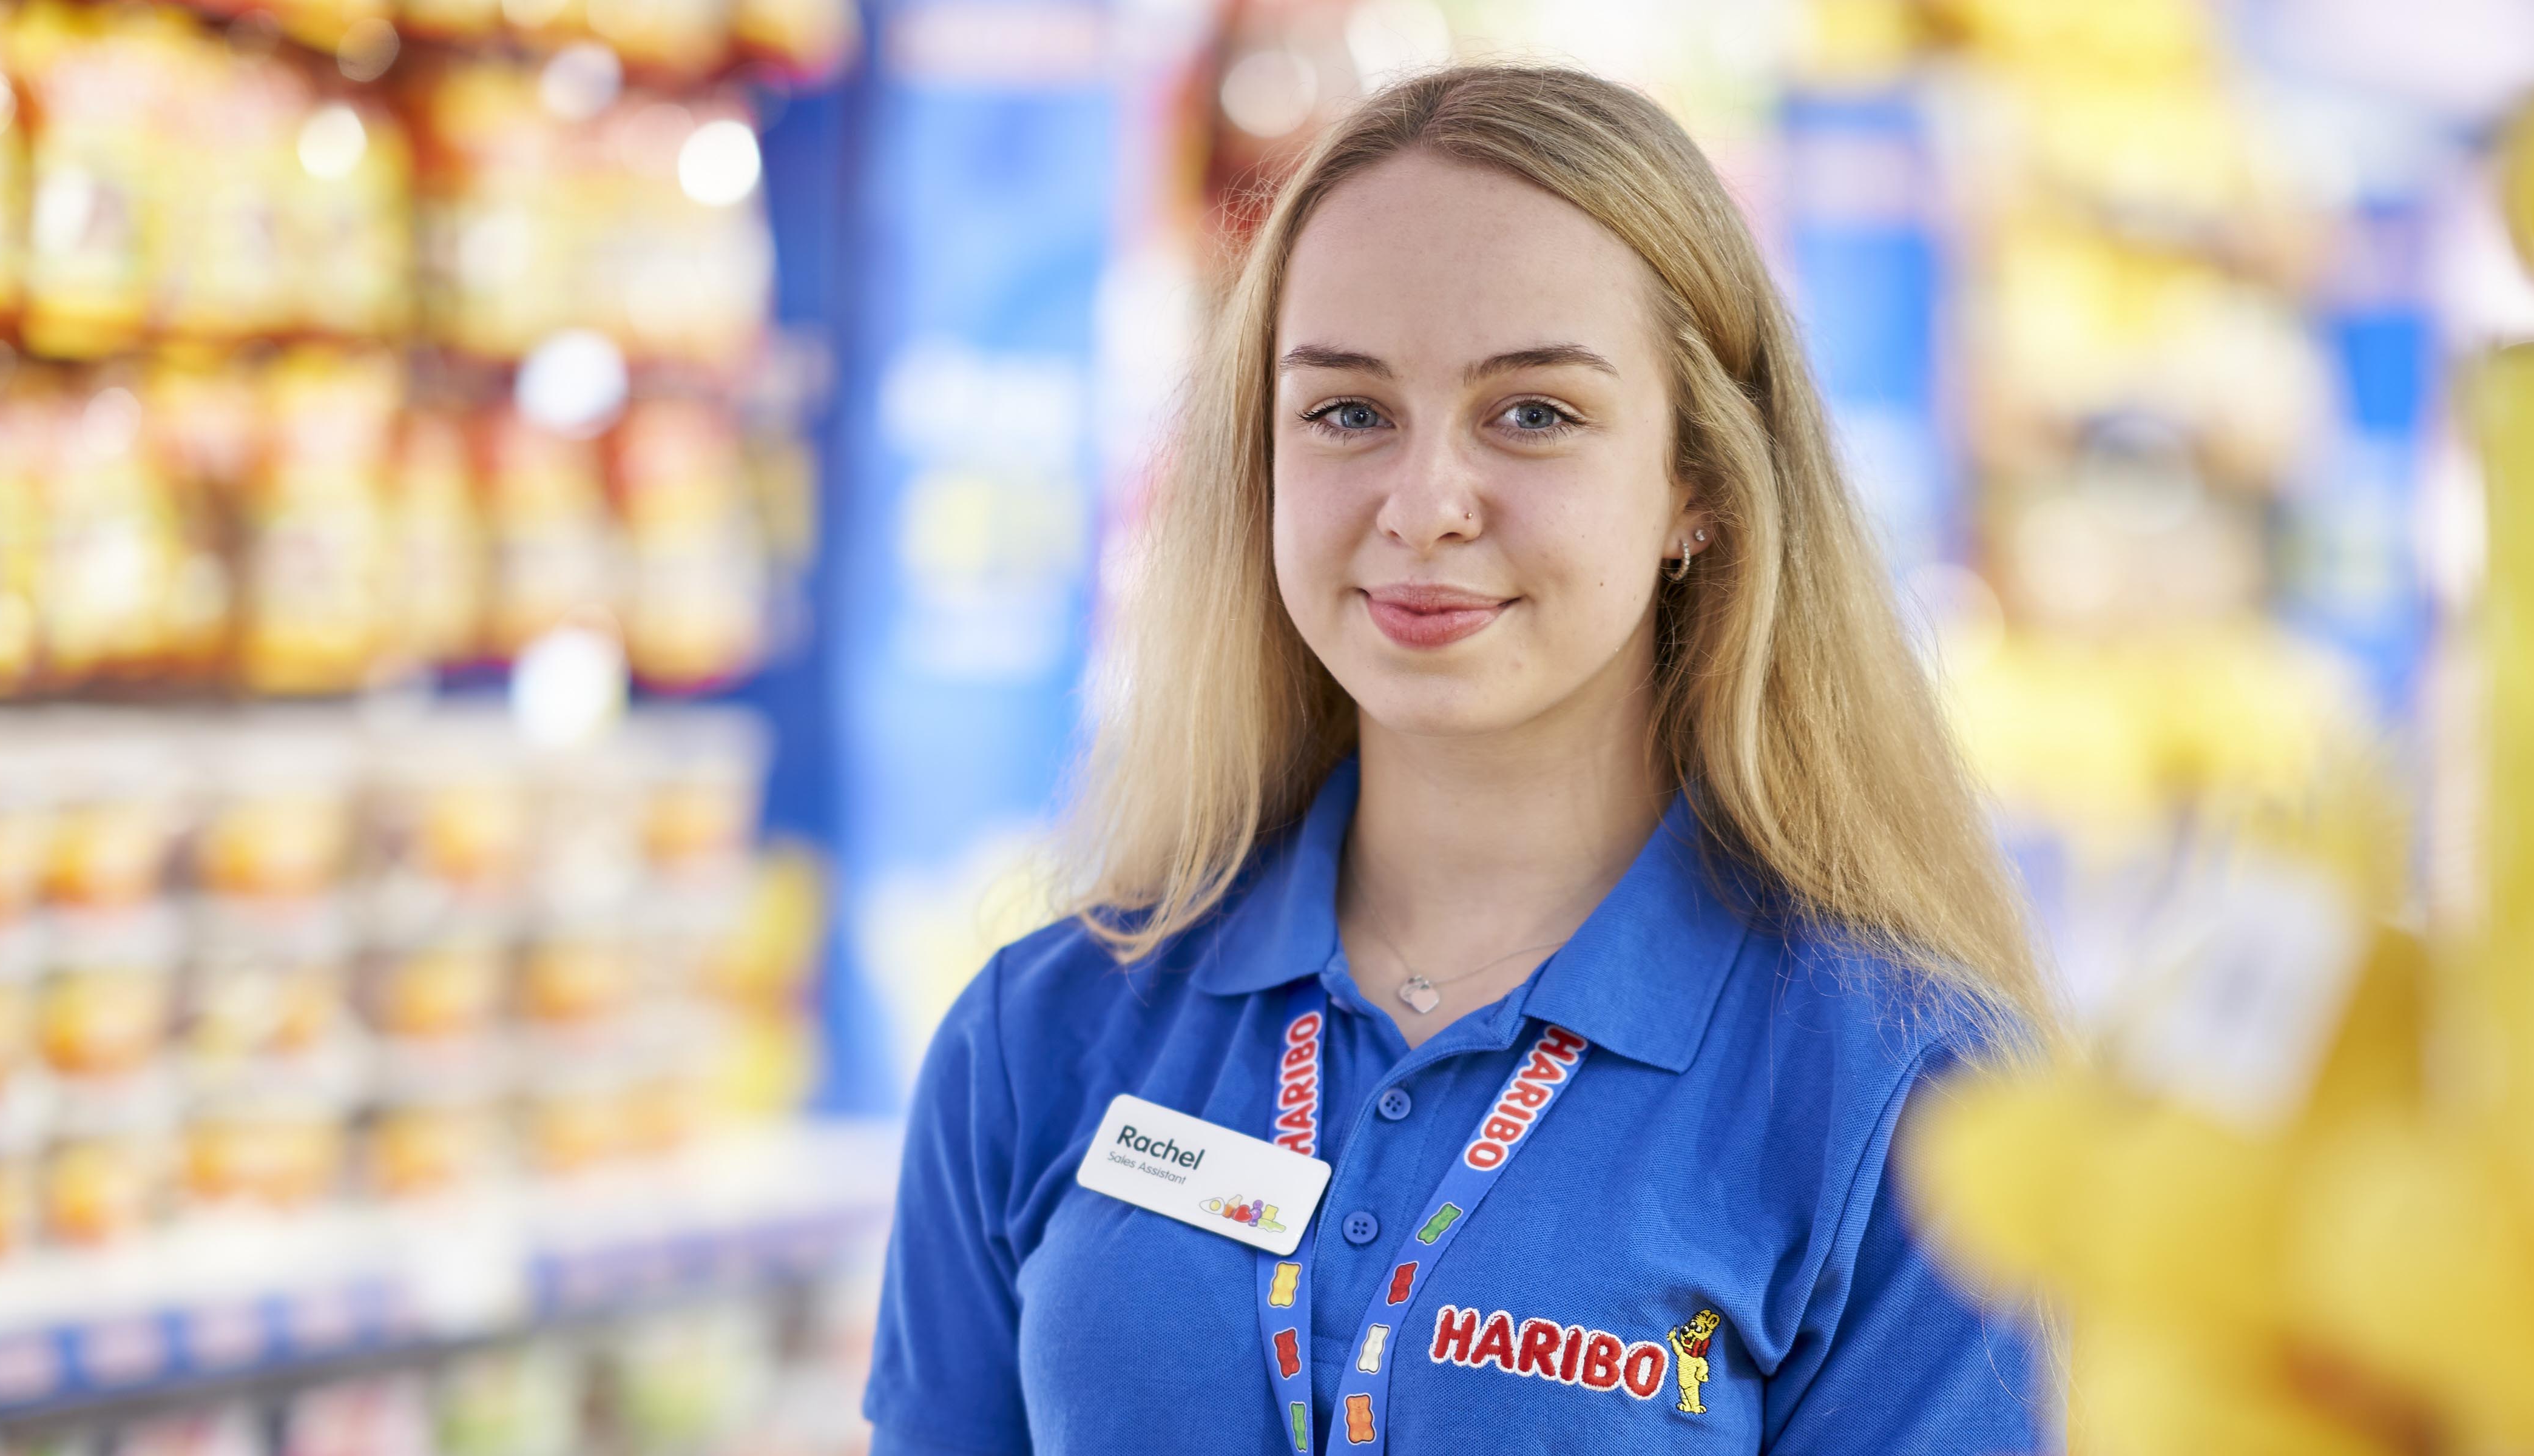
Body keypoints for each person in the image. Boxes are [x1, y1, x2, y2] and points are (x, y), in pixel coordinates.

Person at [863, 64, 2051, 1455]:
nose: (1424, 504)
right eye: (1347, 412)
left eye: (1533, 412)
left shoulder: (1906, 1096)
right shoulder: (1041, 1033)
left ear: (1701, 487)